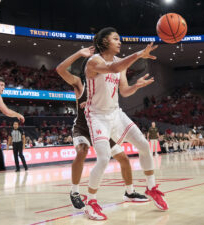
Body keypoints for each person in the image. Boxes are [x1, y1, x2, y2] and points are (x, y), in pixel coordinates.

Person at [83, 27, 167, 220]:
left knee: (144, 145)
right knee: (104, 158)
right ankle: (91, 203)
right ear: (104, 42)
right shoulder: (94, 61)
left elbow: (124, 91)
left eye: (120, 39)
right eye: (115, 39)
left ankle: (151, 187)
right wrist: (139, 54)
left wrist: (135, 86)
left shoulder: (119, 65)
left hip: (116, 114)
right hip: (97, 116)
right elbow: (113, 68)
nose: (120, 42)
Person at [56, 46, 148, 212]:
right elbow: (60, 69)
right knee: (82, 150)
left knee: (124, 159)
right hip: (84, 128)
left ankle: (130, 192)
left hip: (103, 126)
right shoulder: (79, 83)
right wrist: (78, 53)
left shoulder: (105, 84)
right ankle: (75, 191)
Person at [0, 76, 25, 199]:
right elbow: (6, 111)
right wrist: (18, 114)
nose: (4, 87)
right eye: (1, 85)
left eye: (4, 85)